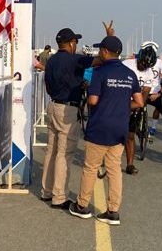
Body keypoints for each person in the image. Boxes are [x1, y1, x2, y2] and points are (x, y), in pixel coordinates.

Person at [68, 36, 143, 225]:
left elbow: (93, 100)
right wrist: (122, 105)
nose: (99, 52)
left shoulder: (100, 72)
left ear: (105, 51)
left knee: (91, 167)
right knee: (114, 169)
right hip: (120, 127)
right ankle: (113, 211)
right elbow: (139, 102)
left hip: (100, 126)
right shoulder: (130, 74)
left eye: (100, 49)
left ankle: (82, 205)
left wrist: (103, 101)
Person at [40, 24, 112, 208]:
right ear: (71, 43)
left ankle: (46, 191)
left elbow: (48, 87)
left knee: (51, 151)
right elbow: (102, 60)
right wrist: (109, 38)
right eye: (76, 42)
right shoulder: (76, 60)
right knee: (64, 153)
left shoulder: (51, 60)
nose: (76, 45)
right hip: (68, 109)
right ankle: (59, 197)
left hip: (53, 105)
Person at [122, 42, 162, 174]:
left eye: (147, 66)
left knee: (130, 135)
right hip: (122, 99)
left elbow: (146, 91)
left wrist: (138, 106)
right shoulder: (126, 64)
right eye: (142, 64)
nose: (144, 67)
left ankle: (130, 165)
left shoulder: (149, 72)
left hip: (135, 101)